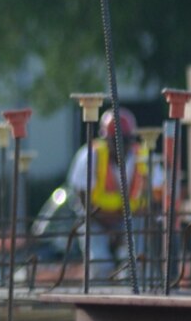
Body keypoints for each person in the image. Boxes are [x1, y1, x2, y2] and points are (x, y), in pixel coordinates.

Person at [63, 108, 160, 280]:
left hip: (128, 220)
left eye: (125, 140)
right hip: (95, 219)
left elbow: (156, 197)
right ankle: (100, 291)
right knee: (100, 264)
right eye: (115, 140)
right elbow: (83, 200)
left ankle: (130, 285)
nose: (120, 146)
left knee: (134, 262)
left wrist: (127, 228)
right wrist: (109, 228)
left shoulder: (144, 156)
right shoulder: (90, 157)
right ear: (105, 140)